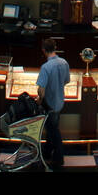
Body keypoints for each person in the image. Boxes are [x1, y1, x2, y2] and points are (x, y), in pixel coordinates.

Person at [36, 38, 70, 169]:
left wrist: (39, 99)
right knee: (52, 128)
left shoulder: (46, 67)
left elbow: (41, 89)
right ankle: (47, 152)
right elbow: (66, 81)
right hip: (60, 101)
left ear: (43, 50)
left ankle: (58, 158)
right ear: (55, 47)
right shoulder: (64, 63)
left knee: (53, 131)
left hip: (49, 103)